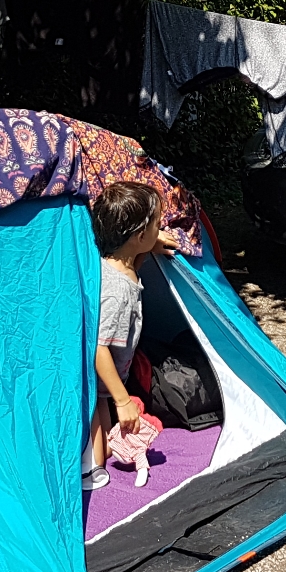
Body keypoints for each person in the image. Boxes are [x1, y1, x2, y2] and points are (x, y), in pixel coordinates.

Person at [86, 180, 172, 491]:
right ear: (138, 236)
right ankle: (82, 466)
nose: (160, 230)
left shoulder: (118, 262)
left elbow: (132, 263)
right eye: (157, 225)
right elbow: (98, 347)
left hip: (107, 386)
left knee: (114, 441)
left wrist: (151, 248)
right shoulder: (116, 292)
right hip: (95, 384)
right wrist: (123, 401)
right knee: (98, 453)